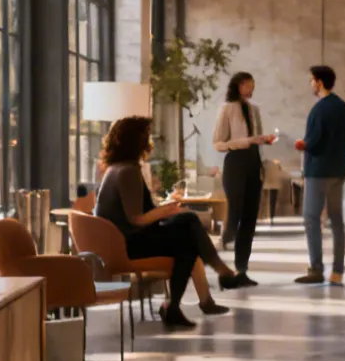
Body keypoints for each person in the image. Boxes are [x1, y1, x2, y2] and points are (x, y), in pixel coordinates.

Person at [94, 116, 247, 329]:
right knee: (189, 228)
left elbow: (138, 213)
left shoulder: (115, 168)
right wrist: (165, 211)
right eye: (146, 135)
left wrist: (165, 209)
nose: (149, 141)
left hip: (122, 242)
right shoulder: (128, 171)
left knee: (187, 233)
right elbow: (136, 219)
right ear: (135, 140)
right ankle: (215, 277)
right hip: (130, 245)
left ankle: (185, 301)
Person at [294, 64, 345, 285]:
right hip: (338, 172)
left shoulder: (319, 109)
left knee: (311, 219)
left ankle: (316, 269)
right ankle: (337, 272)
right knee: (337, 221)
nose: (311, 84)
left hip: (318, 172)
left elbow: (313, 141)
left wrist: (302, 144)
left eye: (312, 80)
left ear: (319, 82)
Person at [212, 71, 276, 283]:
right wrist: (245, 142)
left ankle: (242, 269)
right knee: (235, 214)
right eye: (248, 85)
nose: (251, 89)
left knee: (250, 218)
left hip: (254, 163)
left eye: (253, 85)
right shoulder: (227, 109)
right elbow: (218, 143)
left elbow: (255, 139)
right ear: (238, 86)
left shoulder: (254, 110)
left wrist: (264, 140)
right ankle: (223, 260)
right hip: (235, 164)